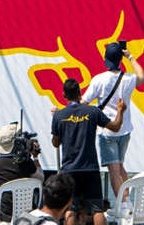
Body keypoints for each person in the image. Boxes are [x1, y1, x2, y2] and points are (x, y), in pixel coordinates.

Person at [52, 78, 125, 225]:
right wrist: (120, 111)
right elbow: (116, 127)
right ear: (80, 94)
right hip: (90, 168)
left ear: (64, 96)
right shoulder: (93, 111)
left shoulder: (59, 116)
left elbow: (55, 143)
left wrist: (59, 128)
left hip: (69, 169)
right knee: (97, 209)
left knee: (70, 209)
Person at [81, 42, 144, 205]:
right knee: (121, 166)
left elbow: (83, 103)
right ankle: (128, 201)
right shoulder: (129, 78)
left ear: (106, 60)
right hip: (125, 129)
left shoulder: (99, 79)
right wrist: (130, 57)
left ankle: (123, 205)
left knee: (114, 170)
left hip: (107, 130)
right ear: (120, 59)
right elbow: (142, 77)